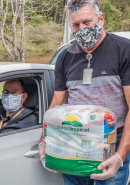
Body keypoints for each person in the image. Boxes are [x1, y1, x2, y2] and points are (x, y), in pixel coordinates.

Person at [45, 0, 130, 184]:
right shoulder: (65, 57)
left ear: (101, 19)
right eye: (75, 25)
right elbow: (57, 102)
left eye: (87, 22)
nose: (81, 29)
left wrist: (120, 156)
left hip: (112, 141)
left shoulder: (124, 50)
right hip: (73, 140)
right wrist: (46, 141)